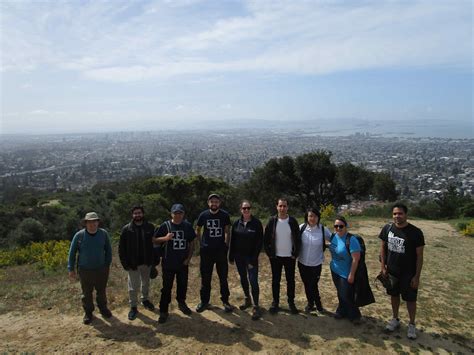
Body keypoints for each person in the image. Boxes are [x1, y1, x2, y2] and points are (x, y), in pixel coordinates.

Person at [379, 203, 425, 339]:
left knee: (410, 299)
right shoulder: (387, 229)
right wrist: (383, 267)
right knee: (394, 296)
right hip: (392, 272)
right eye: (394, 214)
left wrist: (416, 277)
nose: (397, 216)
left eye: (400, 213)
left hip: (408, 273)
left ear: (406, 215)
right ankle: (395, 319)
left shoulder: (416, 232)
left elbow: (420, 256)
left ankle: (411, 324)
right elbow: (382, 248)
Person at [153, 204, 196, 323]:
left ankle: (181, 303)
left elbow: (192, 242)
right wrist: (165, 238)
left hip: (182, 263)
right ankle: (163, 310)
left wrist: (188, 258)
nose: (178, 215)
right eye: (175, 213)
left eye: (180, 213)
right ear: (171, 214)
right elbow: (154, 239)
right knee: (166, 288)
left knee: (182, 285)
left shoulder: (187, 226)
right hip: (168, 262)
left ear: (183, 214)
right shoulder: (165, 225)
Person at [67, 212, 113, 324]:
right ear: (86, 223)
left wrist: (107, 264)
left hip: (101, 269)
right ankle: (88, 312)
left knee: (101, 291)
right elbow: (72, 253)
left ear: (98, 222)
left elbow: (109, 250)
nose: (92, 224)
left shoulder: (103, 234)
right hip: (85, 270)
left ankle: (103, 308)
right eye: (89, 222)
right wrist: (71, 269)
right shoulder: (79, 235)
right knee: (86, 293)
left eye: (94, 221)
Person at [195, 194, 234, 313]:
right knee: (205, 278)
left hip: (220, 251)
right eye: (212, 202)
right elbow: (198, 229)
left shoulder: (224, 215)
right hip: (206, 252)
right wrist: (201, 243)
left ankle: (226, 301)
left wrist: (226, 244)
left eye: (216, 202)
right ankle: (204, 302)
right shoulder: (203, 215)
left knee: (223, 277)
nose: (214, 204)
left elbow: (227, 230)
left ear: (219, 203)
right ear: (208, 203)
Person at [263, 197, 301, 314]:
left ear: (287, 207)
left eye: (284, 206)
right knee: (275, 280)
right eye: (280, 206)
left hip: (290, 257)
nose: (282, 208)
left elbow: (298, 239)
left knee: (290, 281)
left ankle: (291, 303)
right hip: (275, 257)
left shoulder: (293, 221)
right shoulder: (272, 221)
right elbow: (266, 239)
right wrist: (269, 254)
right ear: (277, 207)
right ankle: (275, 303)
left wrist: (295, 254)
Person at [119, 206, 156, 321]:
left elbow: (155, 245)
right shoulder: (127, 229)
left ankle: (145, 300)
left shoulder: (150, 227)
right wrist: (125, 263)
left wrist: (154, 262)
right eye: (135, 213)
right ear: (132, 215)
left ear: (143, 214)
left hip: (147, 261)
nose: (137, 215)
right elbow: (121, 248)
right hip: (132, 263)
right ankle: (133, 306)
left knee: (146, 283)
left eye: (139, 213)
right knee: (133, 286)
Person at [229, 200, 264, 320]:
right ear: (241, 210)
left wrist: (253, 259)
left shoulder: (256, 223)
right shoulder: (236, 223)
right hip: (239, 257)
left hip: (251, 258)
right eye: (244, 208)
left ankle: (256, 306)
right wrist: (231, 255)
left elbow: (259, 243)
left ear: (251, 209)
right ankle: (247, 299)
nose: (246, 210)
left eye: (248, 208)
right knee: (243, 278)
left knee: (253, 281)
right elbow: (232, 240)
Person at [298, 208, 332, 313]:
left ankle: (318, 304)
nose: (312, 218)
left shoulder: (323, 229)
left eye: (315, 216)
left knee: (313, 284)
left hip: (316, 264)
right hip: (302, 263)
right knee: (307, 284)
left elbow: (334, 240)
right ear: (307, 217)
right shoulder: (301, 228)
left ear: (318, 217)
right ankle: (310, 304)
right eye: (310, 216)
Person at [329, 216, 361, 323]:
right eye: (336, 226)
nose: (338, 228)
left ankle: (355, 315)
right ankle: (341, 310)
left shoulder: (351, 239)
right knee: (340, 292)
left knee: (346, 294)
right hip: (335, 270)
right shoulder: (333, 236)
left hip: (346, 272)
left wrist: (351, 274)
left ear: (345, 226)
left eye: (341, 226)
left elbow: (356, 259)